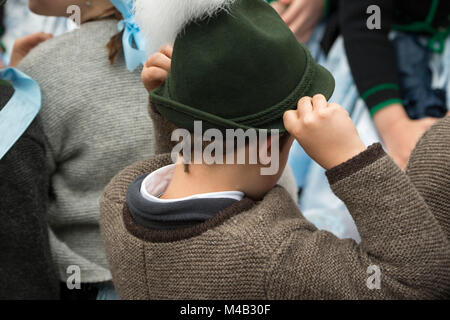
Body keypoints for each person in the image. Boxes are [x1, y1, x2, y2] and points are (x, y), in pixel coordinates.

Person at [100, 0, 450, 299]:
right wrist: (353, 161)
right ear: (270, 146)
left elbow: (176, 169)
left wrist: (175, 111)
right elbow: (417, 282)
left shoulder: (117, 198)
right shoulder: (276, 259)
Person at [5, 0, 153, 299]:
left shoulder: (45, 66)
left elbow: (15, 200)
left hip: (84, 283)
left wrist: (11, 88)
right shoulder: (181, 51)